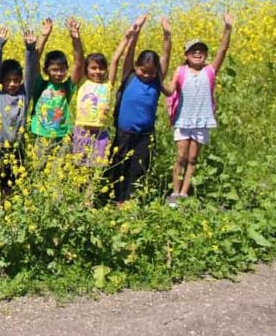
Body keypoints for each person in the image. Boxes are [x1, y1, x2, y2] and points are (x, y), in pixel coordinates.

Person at [165, 13, 233, 206]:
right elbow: (170, 90)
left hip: (202, 120)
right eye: (193, 50)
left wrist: (228, 28)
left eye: (201, 50)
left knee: (193, 159)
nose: (197, 53)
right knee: (181, 157)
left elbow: (222, 50)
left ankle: (184, 194)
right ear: (186, 55)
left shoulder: (210, 71)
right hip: (183, 120)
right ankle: (175, 193)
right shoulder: (180, 71)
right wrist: (157, 85)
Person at [108, 15, 172, 204]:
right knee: (119, 168)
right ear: (136, 66)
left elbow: (166, 57)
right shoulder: (129, 76)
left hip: (145, 136)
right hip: (123, 134)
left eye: (151, 72)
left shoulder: (156, 81)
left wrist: (167, 36)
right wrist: (135, 32)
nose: (146, 74)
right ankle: (117, 200)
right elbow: (129, 52)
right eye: (143, 70)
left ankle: (130, 203)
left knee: (139, 169)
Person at [0, 24, 39, 192]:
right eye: (8, 80)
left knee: (11, 185)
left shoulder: (25, 94)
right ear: (2, 81)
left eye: (16, 80)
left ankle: (5, 213)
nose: (12, 84)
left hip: (16, 147)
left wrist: (30, 50)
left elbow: (30, 73)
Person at [72, 24, 135, 167]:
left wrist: (127, 36)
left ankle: (91, 190)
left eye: (101, 68)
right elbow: (79, 59)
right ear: (86, 69)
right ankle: (80, 189)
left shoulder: (108, 84)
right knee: (79, 167)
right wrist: (76, 37)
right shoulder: (82, 82)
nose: (97, 71)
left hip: (100, 134)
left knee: (96, 168)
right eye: (93, 68)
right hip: (82, 131)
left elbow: (115, 60)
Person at [30, 17, 84, 145]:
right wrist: (44, 36)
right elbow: (33, 61)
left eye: (62, 70)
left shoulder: (67, 87)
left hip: (62, 137)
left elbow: (78, 63)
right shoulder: (40, 85)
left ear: (67, 70)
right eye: (54, 69)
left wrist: (76, 38)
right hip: (40, 135)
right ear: (46, 70)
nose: (59, 73)